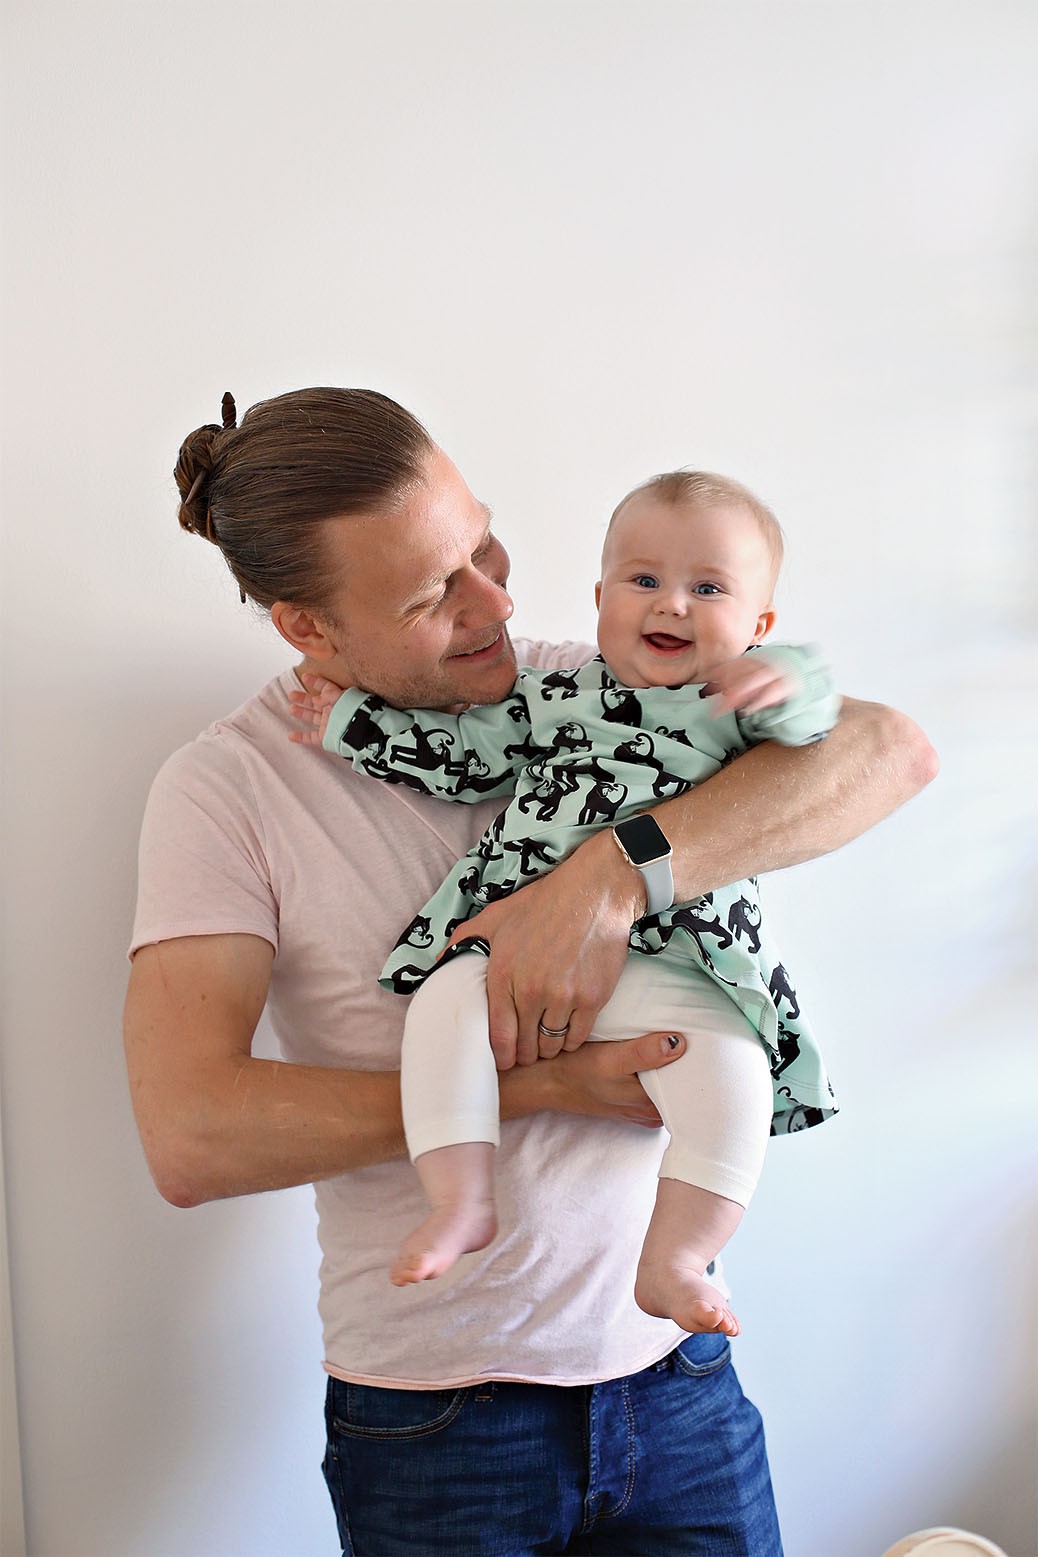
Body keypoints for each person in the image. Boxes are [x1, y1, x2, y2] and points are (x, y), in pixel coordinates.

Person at [124, 386, 937, 1556]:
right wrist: (544, 1085)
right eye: (432, 594)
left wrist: (610, 878)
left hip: (679, 1378)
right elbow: (192, 1137)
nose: (497, 602)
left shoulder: (583, 683)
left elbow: (887, 751)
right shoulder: (227, 790)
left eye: (485, 546)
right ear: (308, 628)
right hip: (438, 1422)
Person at [289, 470, 840, 1337]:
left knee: (737, 1076)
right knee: (442, 1009)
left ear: (757, 627)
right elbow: (462, 756)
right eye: (644, 579)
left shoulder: (733, 706)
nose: (673, 604)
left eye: (709, 589)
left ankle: (679, 1255)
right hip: (519, 935)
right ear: (600, 598)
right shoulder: (548, 697)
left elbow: (827, 731)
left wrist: (788, 679)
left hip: (683, 956)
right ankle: (461, 1198)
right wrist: (351, 723)